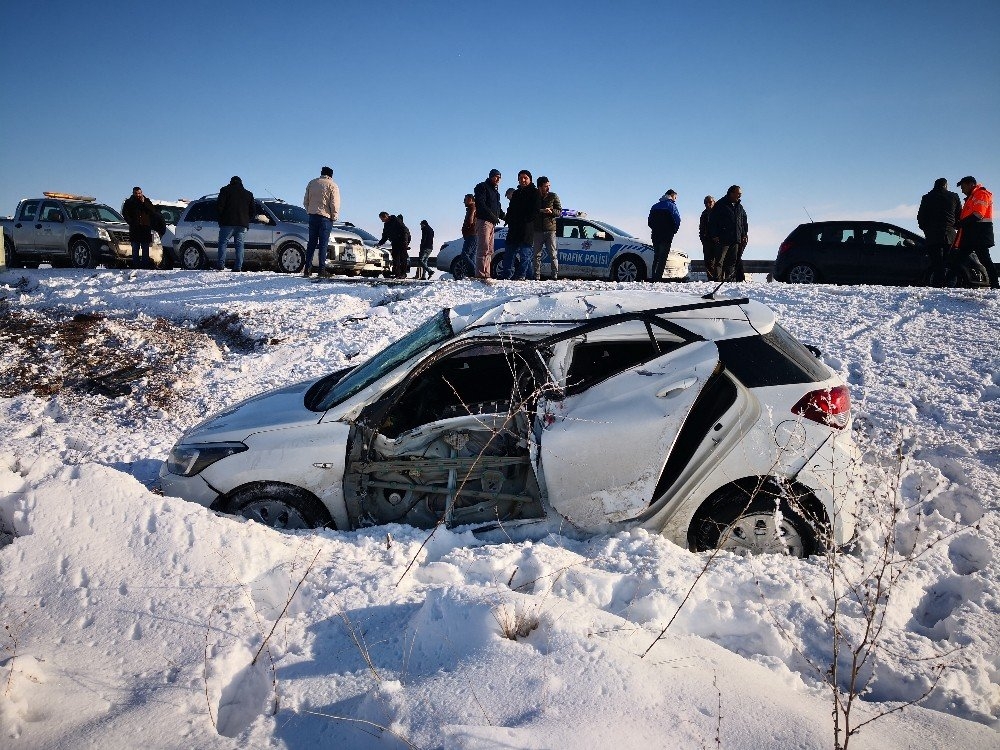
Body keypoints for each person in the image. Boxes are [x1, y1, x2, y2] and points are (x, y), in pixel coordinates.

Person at [955, 176, 997, 288]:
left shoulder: (981, 194)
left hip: (979, 234)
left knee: (984, 260)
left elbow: (978, 214)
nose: (962, 190)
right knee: (959, 259)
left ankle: (995, 285)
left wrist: (960, 224)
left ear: (971, 184)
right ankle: (995, 284)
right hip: (972, 234)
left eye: (963, 187)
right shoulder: (972, 197)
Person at [916, 178, 961, 280]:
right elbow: (959, 215)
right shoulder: (954, 196)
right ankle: (948, 283)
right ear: (946, 185)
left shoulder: (927, 198)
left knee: (936, 261)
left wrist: (926, 230)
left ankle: (938, 282)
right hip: (949, 234)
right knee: (948, 261)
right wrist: (955, 227)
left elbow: (921, 217)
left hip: (932, 234)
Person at [500, 170, 540, 280]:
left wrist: (526, 220)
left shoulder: (535, 192)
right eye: (520, 178)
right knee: (509, 253)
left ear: (530, 179)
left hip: (527, 228)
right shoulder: (516, 193)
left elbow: (535, 211)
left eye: (525, 178)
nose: (522, 180)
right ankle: (506, 275)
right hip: (514, 228)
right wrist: (509, 220)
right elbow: (511, 209)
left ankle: (522, 276)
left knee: (525, 254)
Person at [302, 166, 340, 278]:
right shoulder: (332, 185)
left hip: (312, 217)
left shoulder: (312, 183)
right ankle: (321, 270)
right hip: (325, 218)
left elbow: (305, 201)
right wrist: (334, 216)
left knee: (311, 243)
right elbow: (334, 204)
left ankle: (307, 269)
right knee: (323, 244)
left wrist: (310, 211)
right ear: (331, 175)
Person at [709, 185, 749, 281]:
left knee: (732, 262)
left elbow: (743, 222)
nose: (739, 196)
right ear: (731, 193)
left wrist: (744, 234)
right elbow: (713, 221)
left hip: (736, 238)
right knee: (719, 261)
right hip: (723, 238)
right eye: (738, 194)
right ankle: (717, 282)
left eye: (740, 194)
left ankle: (729, 281)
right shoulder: (720, 205)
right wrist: (714, 235)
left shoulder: (740, 207)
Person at [121, 186, 165, 269]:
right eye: (136, 193)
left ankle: (145, 265)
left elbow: (152, 211)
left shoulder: (147, 201)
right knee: (135, 248)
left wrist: (144, 202)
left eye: (139, 193)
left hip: (145, 229)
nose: (138, 195)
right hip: (135, 229)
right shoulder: (129, 202)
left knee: (145, 248)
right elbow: (125, 214)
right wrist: (131, 222)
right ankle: (136, 265)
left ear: (142, 193)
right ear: (133, 193)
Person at [216, 176, 254, 271]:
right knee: (239, 245)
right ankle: (238, 267)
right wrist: (246, 220)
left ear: (231, 182)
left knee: (223, 243)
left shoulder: (225, 190)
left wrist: (220, 220)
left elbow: (219, 207)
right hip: (242, 225)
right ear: (241, 183)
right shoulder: (248, 194)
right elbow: (253, 211)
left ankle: (220, 265)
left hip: (227, 223)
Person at [473, 169, 505, 280]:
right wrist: (493, 216)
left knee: (490, 250)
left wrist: (506, 218)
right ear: (491, 176)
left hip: (492, 223)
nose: (498, 179)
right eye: (496, 176)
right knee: (483, 248)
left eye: (499, 177)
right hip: (484, 221)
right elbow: (481, 204)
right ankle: (480, 275)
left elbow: (499, 210)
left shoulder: (496, 192)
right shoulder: (482, 187)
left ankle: (487, 274)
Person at [647, 189, 681, 281]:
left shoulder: (655, 206)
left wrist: (655, 229)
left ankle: (654, 276)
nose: (675, 199)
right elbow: (677, 220)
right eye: (675, 197)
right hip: (666, 235)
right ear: (671, 195)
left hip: (655, 234)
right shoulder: (671, 206)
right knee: (663, 257)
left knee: (656, 255)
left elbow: (649, 222)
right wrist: (673, 231)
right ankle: (658, 278)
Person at [532, 176, 562, 280]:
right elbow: (531, 210)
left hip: (550, 231)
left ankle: (554, 276)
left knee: (553, 255)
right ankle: (536, 277)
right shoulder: (534, 196)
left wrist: (552, 212)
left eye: (549, 186)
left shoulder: (553, 196)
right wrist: (540, 211)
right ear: (540, 187)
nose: (548, 188)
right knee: (536, 255)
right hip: (537, 231)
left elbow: (560, 212)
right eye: (546, 186)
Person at [375, 211, 409, 278]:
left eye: (382, 219)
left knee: (403, 258)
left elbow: (405, 230)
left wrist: (405, 241)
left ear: (386, 216)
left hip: (402, 241)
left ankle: (403, 273)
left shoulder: (396, 220)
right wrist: (380, 243)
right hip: (394, 242)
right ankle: (397, 274)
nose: (382, 221)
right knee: (395, 258)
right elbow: (385, 236)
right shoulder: (386, 224)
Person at [456, 193, 477, 279]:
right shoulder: (474, 208)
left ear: (470, 200)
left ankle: (474, 272)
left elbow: (470, 221)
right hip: (475, 234)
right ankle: (471, 275)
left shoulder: (472, 208)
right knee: (472, 256)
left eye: (465, 200)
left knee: (465, 254)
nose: (464, 202)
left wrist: (465, 228)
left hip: (471, 234)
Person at [699, 195, 717, 280]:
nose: (708, 204)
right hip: (707, 241)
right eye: (706, 202)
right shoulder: (704, 214)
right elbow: (701, 228)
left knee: (718, 261)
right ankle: (711, 279)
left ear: (714, 202)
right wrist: (702, 238)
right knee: (708, 261)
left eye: (710, 202)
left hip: (717, 241)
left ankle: (718, 278)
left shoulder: (719, 213)